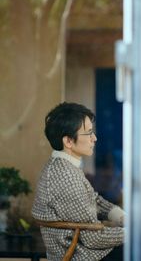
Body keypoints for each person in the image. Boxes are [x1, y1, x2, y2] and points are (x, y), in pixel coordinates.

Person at [32, 102, 124, 260]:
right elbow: (93, 238)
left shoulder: (62, 166)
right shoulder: (65, 177)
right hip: (83, 256)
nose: (94, 138)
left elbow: (92, 198)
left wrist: (118, 215)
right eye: (88, 133)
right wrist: (134, 232)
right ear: (68, 141)